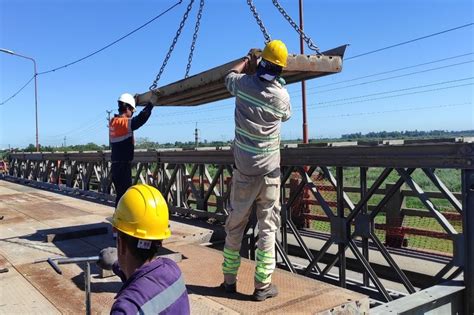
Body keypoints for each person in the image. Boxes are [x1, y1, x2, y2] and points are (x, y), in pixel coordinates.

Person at [221, 40, 292, 301]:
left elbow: (228, 77)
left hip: (244, 174)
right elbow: (286, 116)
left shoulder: (243, 85)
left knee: (235, 227)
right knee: (268, 229)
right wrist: (277, 85)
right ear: (281, 71)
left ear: (260, 63)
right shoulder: (282, 97)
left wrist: (245, 61)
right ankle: (262, 286)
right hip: (270, 175)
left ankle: (229, 281)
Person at [108, 184, 190, 314]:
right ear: (160, 240)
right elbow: (142, 276)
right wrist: (115, 265)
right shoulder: (173, 271)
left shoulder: (126, 309)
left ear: (121, 243)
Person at [109, 93, 154, 206]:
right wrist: (151, 104)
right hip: (122, 166)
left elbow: (129, 120)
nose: (132, 114)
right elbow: (141, 118)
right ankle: (121, 221)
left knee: (121, 196)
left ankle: (119, 219)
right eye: (132, 111)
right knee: (124, 197)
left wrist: (134, 103)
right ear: (128, 108)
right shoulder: (124, 123)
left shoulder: (114, 122)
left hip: (116, 165)